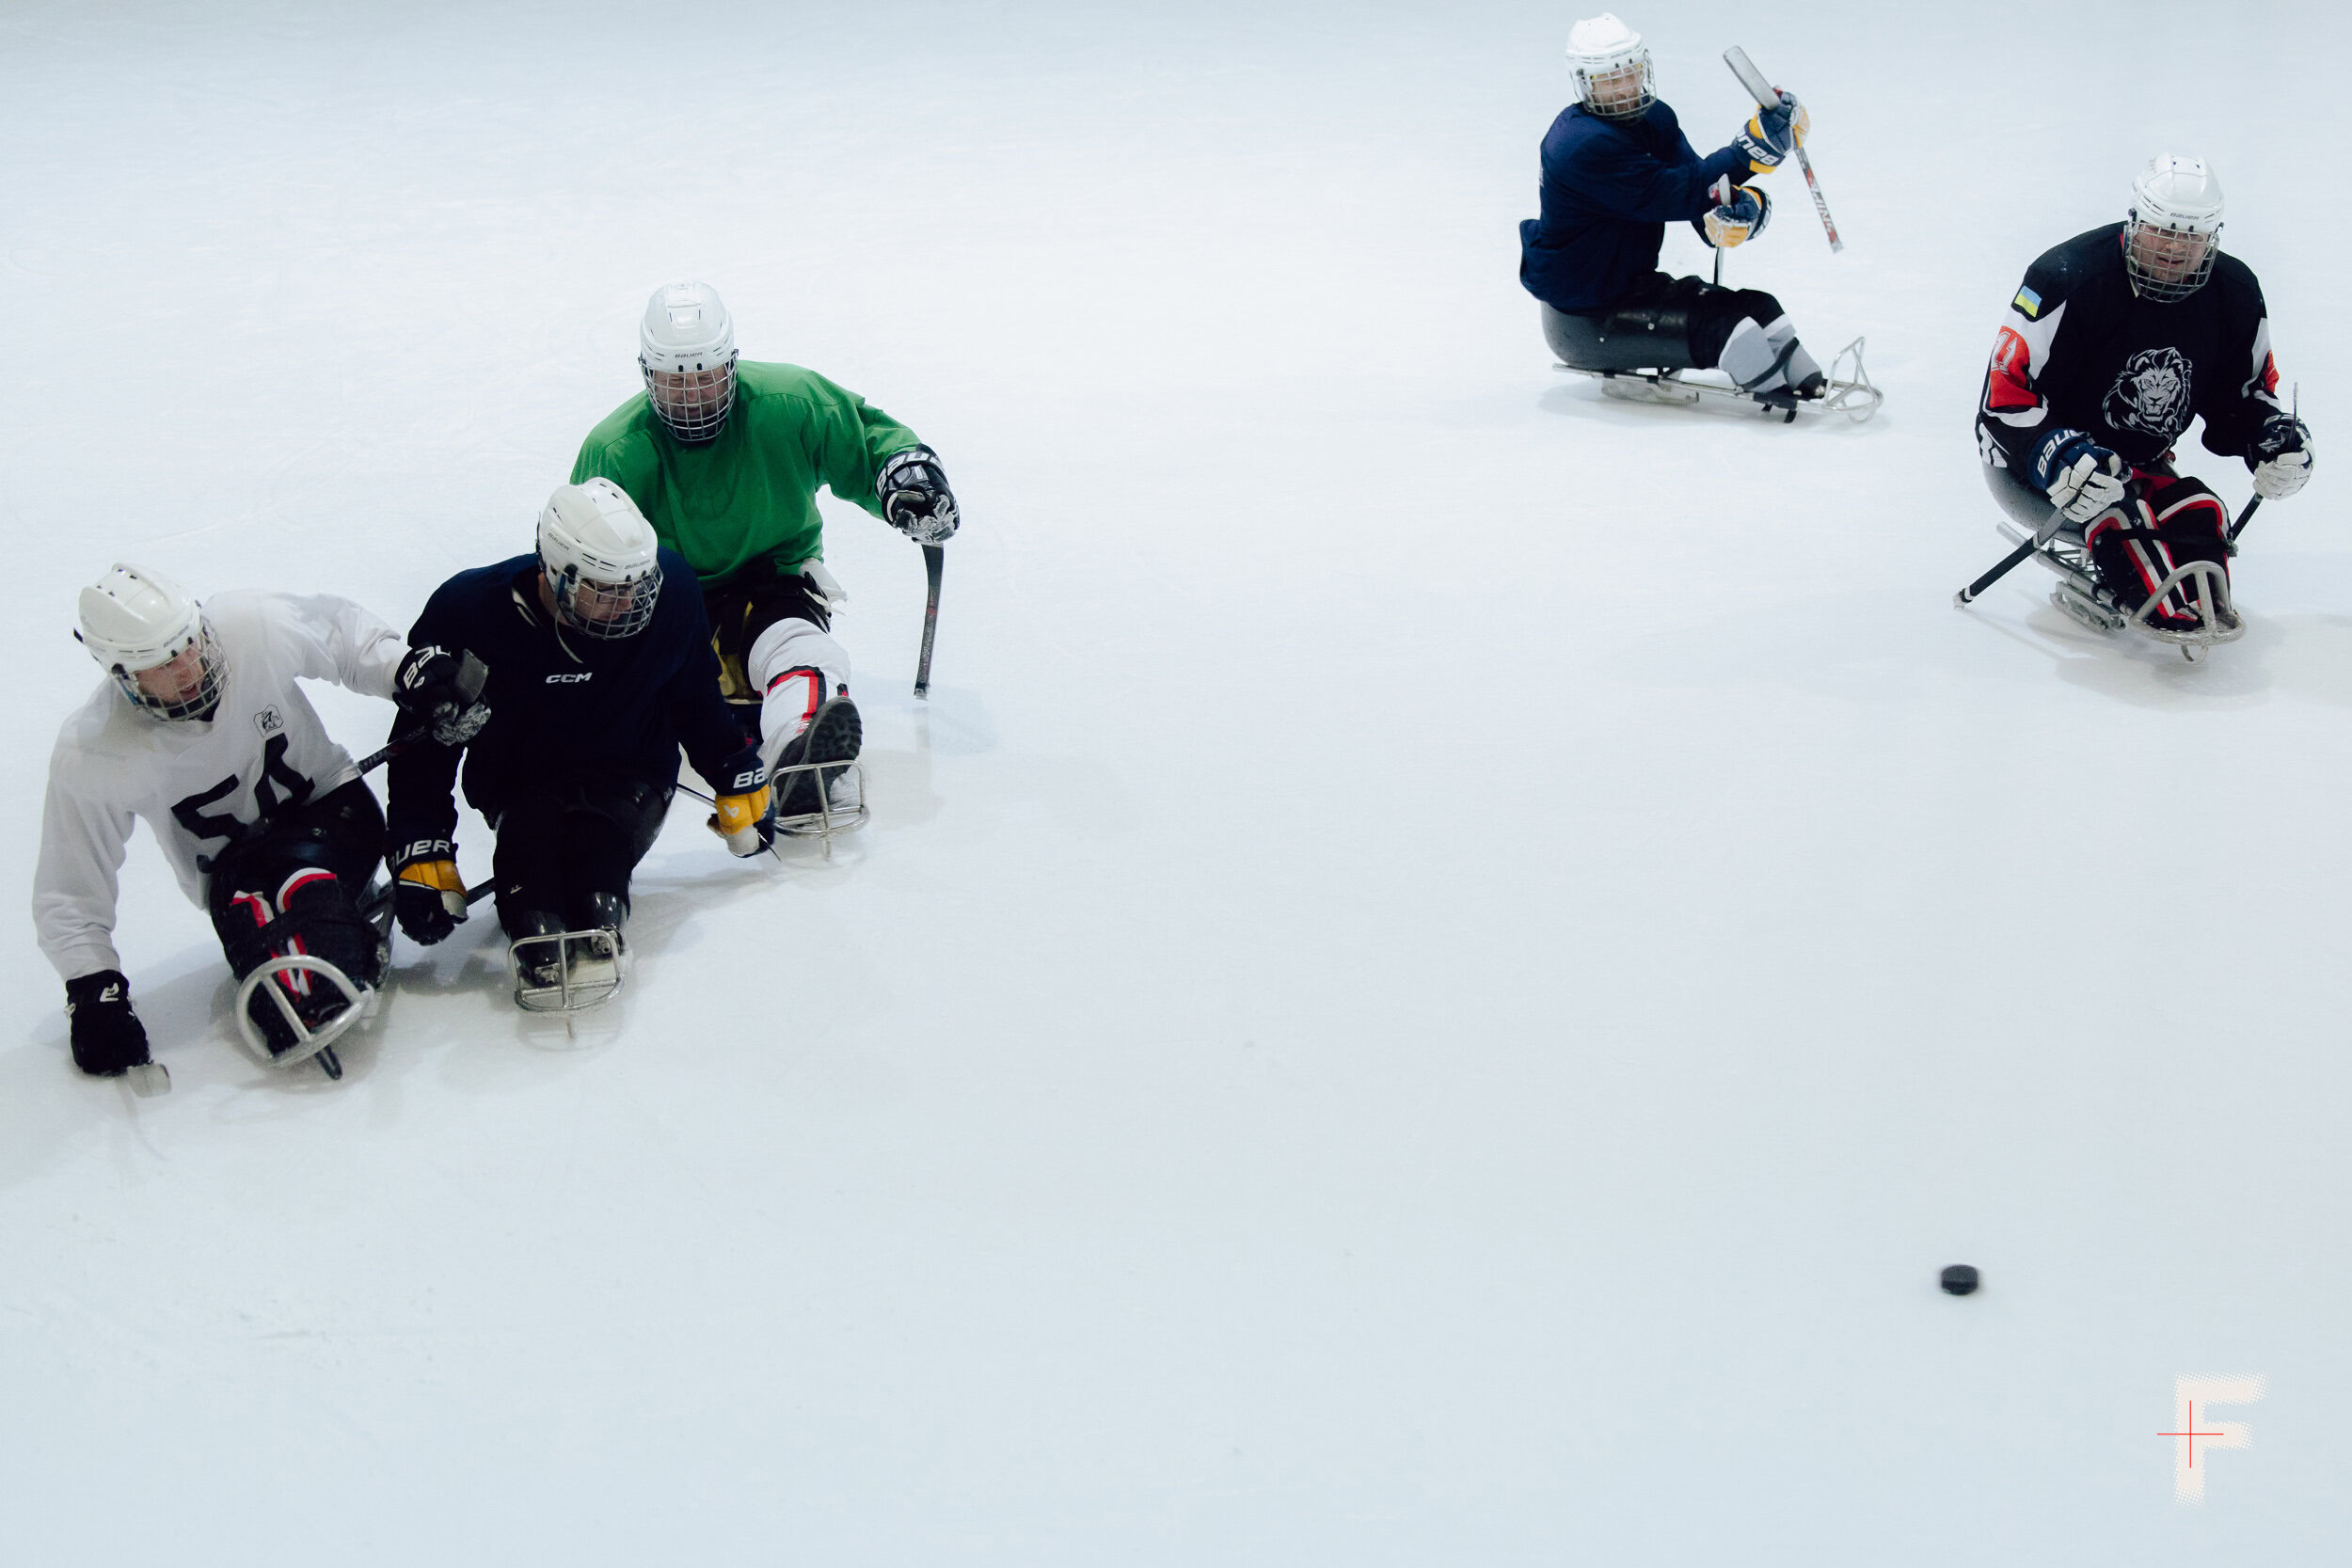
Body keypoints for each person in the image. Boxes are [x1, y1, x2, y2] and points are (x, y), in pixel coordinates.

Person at [32, 564, 484, 1077]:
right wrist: (94, 991)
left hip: (333, 813)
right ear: (122, 677)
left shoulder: (247, 625)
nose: (189, 667)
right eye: (163, 664)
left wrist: (408, 672)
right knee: (271, 978)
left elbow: (339, 635)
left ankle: (322, 918)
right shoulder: (95, 751)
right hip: (235, 873)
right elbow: (70, 887)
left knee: (301, 891)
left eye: (191, 643)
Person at [568, 281, 960, 831]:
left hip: (777, 586)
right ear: (646, 374)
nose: (693, 395)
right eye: (673, 382)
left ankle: (804, 749)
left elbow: (868, 440)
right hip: (662, 606)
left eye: (705, 377)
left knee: (802, 650)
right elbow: (581, 556)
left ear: (731, 364)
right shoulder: (613, 450)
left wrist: (904, 476)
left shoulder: (789, 402)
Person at [384, 479, 771, 991]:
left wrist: (730, 765)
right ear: (553, 571)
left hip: (633, 771)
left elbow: (693, 691)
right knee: (530, 893)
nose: (630, 604)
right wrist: (420, 842)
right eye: (607, 590)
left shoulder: (672, 590)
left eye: (638, 586)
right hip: (518, 780)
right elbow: (425, 741)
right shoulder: (469, 613)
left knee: (598, 887)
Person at [1975, 155, 2312, 633]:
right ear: (2134, 220)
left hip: (2144, 467)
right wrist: (2055, 456)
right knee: (2119, 510)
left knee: (2202, 509)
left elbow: (2243, 398)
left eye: (2192, 234)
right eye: (2163, 229)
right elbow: (2000, 405)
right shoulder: (2065, 278)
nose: (2176, 247)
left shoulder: (2235, 292)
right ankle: (2160, 599)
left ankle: (2197, 598)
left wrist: (2273, 440)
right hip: (2031, 473)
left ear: (2213, 236)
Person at [1519, 12, 1827, 404]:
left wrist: (1738, 209)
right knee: (1729, 329)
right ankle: (1778, 394)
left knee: (1761, 308)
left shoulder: (1655, 118)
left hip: (1630, 286)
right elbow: (1683, 191)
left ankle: (1810, 383)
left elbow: (1697, 187)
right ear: (1584, 83)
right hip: (1584, 316)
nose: (1624, 88)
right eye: (1608, 80)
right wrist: (1752, 150)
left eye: (1629, 72)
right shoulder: (1580, 145)